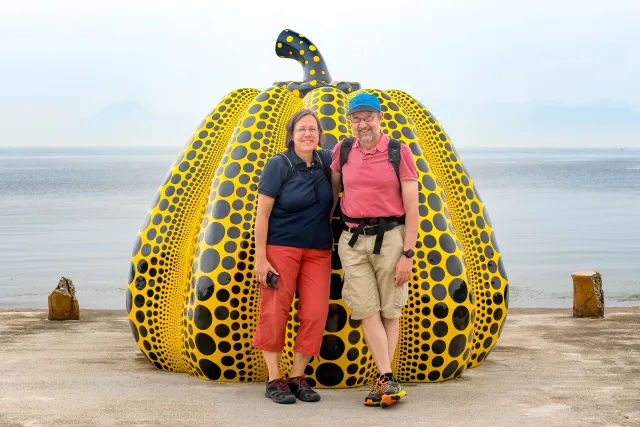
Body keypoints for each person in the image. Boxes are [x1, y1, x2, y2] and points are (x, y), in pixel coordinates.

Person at [330, 93, 419, 407]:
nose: (363, 123)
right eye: (356, 118)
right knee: (366, 309)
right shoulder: (342, 151)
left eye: (368, 116)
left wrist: (408, 254)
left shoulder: (399, 152)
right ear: (350, 121)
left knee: (389, 310)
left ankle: (384, 379)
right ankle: (387, 378)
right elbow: (334, 191)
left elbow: (412, 207)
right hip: (352, 240)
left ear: (379, 117)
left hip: (390, 238)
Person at [253, 109, 334, 404]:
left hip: (318, 250)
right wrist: (261, 259)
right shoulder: (278, 165)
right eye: (302, 129)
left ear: (319, 135)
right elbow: (262, 215)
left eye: (313, 129)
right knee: (275, 312)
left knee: (315, 314)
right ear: (291, 134)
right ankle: (274, 378)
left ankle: (297, 375)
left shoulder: (326, 161)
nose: (308, 134)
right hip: (281, 247)